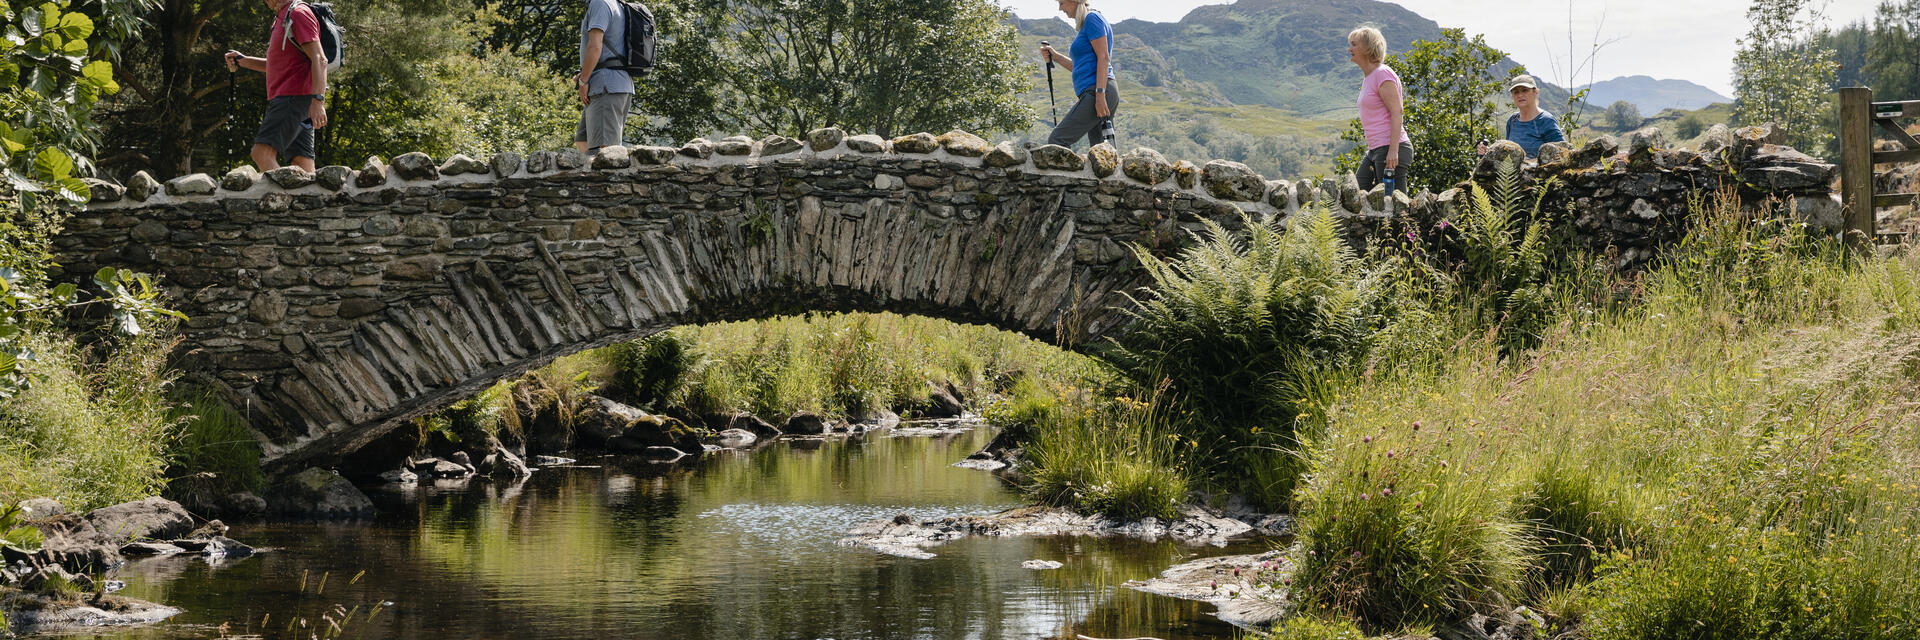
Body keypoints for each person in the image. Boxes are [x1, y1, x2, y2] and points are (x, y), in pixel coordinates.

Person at [224, 0, 329, 173]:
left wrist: (318, 101)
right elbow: (278, 65)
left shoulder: (298, 14)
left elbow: (319, 58)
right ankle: (306, 200)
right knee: (302, 165)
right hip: (297, 100)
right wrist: (243, 61)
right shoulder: (283, 17)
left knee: (261, 153)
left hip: (292, 98)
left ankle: (281, 199)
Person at [1039, 0, 1117, 149]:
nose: (1060, 8)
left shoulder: (1092, 18)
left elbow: (1104, 57)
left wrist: (1100, 95)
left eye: (1062, 3)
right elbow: (1080, 68)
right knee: (1100, 151)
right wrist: (1055, 56)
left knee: (1057, 140)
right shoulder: (1088, 23)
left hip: (1098, 90)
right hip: (1098, 90)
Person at [1348, 26, 1410, 192]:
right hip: (1375, 149)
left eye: (1354, 44)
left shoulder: (1382, 74)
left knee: (1393, 208)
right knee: (1357, 195)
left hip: (1390, 148)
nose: (1350, 49)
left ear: (1368, 48)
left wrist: (1393, 150)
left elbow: (1397, 112)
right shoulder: (1369, 77)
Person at [575, 0, 635, 153]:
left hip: (606, 87)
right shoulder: (616, 3)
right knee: (583, 142)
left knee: (605, 155)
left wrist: (583, 81)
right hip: (612, 85)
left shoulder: (600, 3)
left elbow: (595, 46)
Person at [1478, 75, 1566, 158]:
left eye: (1525, 90)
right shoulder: (1512, 121)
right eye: (1516, 92)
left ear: (1535, 92)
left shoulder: (1546, 121)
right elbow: (1510, 156)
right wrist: (1488, 153)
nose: (1520, 95)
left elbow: (1564, 154)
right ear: (1512, 96)